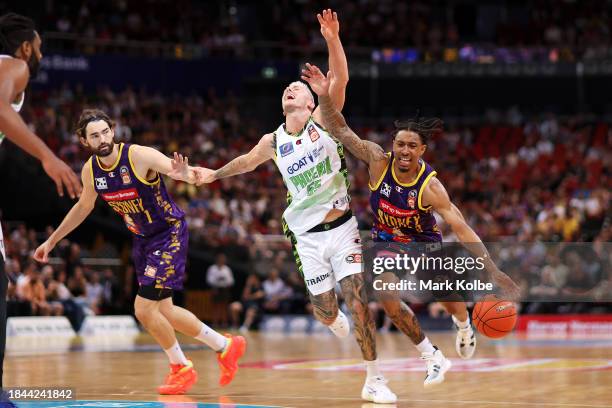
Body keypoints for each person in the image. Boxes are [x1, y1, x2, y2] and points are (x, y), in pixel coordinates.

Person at [191, 10, 396, 403]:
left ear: (307, 98)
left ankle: (374, 379)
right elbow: (246, 162)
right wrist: (213, 175)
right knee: (324, 309)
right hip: (304, 237)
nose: (289, 90)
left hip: (341, 228)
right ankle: (330, 318)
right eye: (285, 88)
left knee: (358, 298)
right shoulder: (273, 140)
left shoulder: (324, 118)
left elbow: (341, 80)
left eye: (295, 88)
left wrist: (333, 39)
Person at [300, 62, 522, 381]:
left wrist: (493, 270)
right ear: (393, 145)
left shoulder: (431, 187)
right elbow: (339, 129)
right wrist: (324, 97)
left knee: (449, 301)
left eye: (412, 146)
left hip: (424, 244)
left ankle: (463, 325)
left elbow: (460, 227)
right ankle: (431, 355)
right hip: (387, 241)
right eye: (400, 144)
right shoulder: (377, 161)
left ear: (422, 150)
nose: (405, 150)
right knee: (386, 294)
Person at [33, 109, 246, 395]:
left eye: (105, 131)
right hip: (142, 240)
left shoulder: (138, 156)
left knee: (143, 310)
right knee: (165, 311)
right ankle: (225, 346)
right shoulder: (91, 170)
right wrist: (52, 241)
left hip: (168, 233)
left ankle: (180, 367)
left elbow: (174, 168)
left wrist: (185, 174)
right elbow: (83, 207)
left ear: (113, 129)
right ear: (84, 141)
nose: (103, 138)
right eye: (94, 135)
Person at [0, 12, 82, 403]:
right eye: (41, 47)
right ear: (27, 46)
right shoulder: (15, 65)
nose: (42, 55)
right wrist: (48, 157)